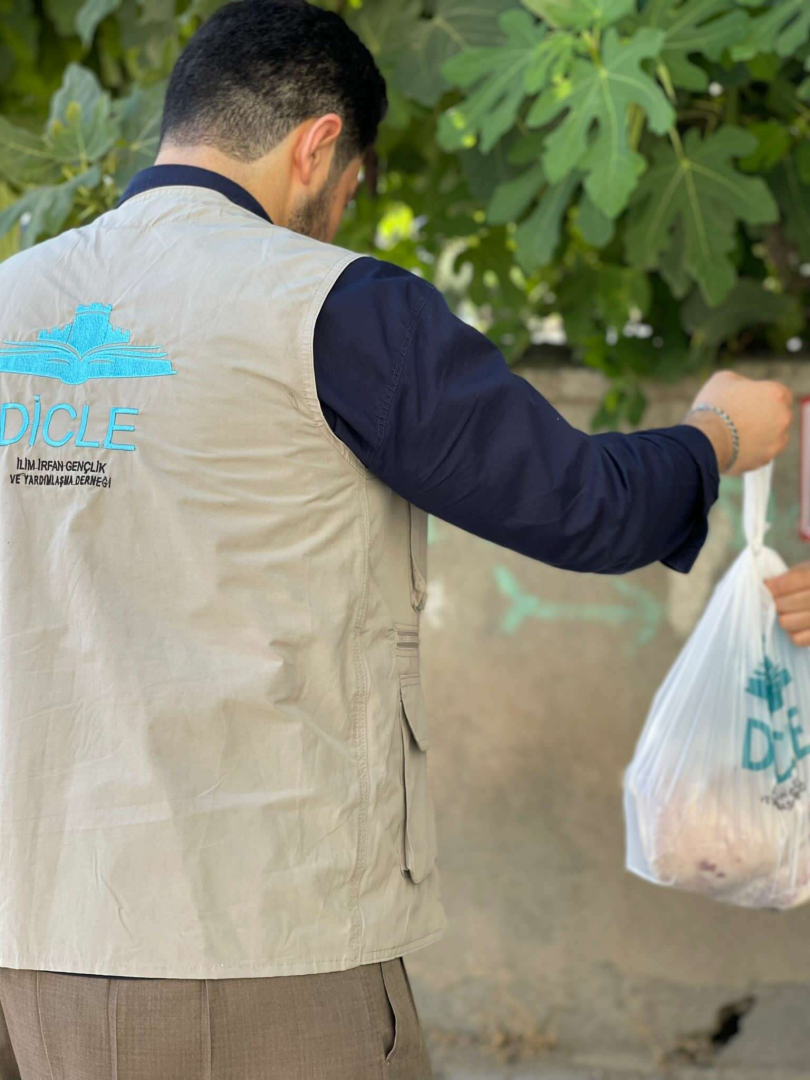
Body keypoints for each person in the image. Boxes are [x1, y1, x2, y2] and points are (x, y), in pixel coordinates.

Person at [0, 1, 793, 1077]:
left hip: (32, 937)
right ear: (320, 143)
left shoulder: (14, 301)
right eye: (352, 184)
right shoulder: (335, 309)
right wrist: (720, 434)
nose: (338, 214)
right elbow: (581, 504)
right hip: (255, 940)